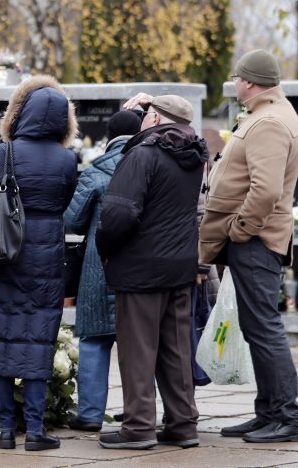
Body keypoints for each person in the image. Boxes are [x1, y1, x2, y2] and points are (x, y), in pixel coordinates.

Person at [0, 76, 78, 452]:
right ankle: (37, 430)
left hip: (1, 256)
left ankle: (7, 431)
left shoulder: (5, 153)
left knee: (0, 340)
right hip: (44, 258)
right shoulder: (66, 159)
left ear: (21, 113)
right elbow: (64, 203)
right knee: (35, 340)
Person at [199, 50, 298, 443]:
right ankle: (269, 413)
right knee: (257, 326)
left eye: (238, 78)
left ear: (249, 81)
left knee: (264, 327)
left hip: (257, 240)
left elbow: (266, 188)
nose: (235, 83)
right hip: (255, 239)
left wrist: (240, 229)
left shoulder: (269, 121)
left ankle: (289, 418)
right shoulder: (269, 114)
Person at [95, 94, 208, 450]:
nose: (141, 120)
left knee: (139, 349)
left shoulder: (142, 154)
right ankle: (183, 423)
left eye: (145, 115)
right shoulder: (195, 157)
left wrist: (106, 250)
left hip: (141, 268)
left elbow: (118, 214)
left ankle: (139, 426)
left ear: (157, 120)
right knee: (176, 350)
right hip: (180, 266)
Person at [64, 110, 141, 432]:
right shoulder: (149, 167)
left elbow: (72, 221)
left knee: (94, 340)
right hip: (139, 267)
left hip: (98, 269)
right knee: (139, 343)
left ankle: (91, 415)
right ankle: (139, 412)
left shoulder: (96, 172)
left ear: (109, 136)